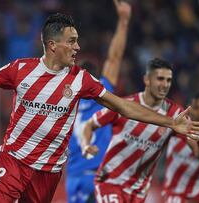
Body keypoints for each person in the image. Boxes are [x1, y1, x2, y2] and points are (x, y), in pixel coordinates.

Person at [0, 11, 199, 203]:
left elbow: (124, 106)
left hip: (49, 172)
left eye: (78, 41)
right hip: (13, 160)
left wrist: (169, 122)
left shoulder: (82, 80)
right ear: (53, 44)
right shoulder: (20, 70)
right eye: (72, 41)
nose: (77, 47)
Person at [81, 58, 199, 203]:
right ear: (147, 80)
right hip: (110, 182)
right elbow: (89, 124)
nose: (165, 85)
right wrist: (86, 145)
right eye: (160, 79)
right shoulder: (126, 106)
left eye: (168, 80)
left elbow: (198, 153)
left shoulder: (176, 115)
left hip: (139, 191)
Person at [66, 0, 131, 202]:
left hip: (73, 178)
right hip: (96, 176)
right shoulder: (101, 91)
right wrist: (123, 21)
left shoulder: (65, 99)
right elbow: (114, 58)